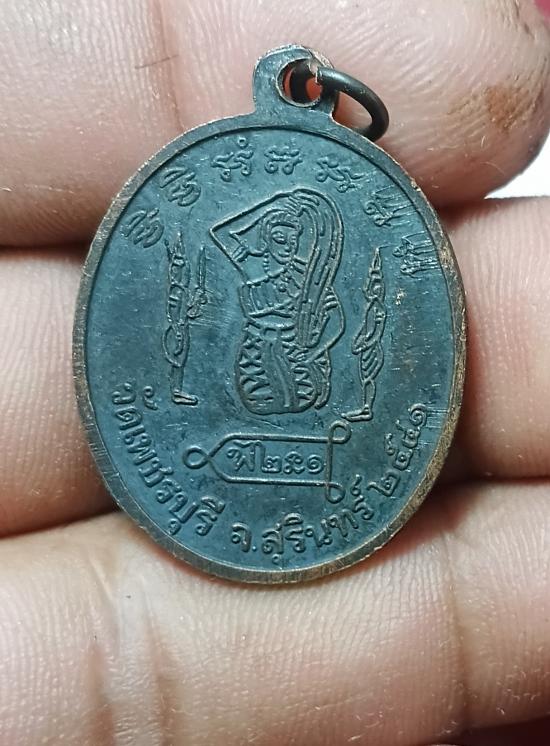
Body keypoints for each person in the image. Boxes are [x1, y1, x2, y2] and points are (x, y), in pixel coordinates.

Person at [0, 1, 549, 744]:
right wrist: (284, 223)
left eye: (282, 241)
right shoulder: (268, 278)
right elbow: (229, 237)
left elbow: (287, 278)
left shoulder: (314, 301)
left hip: (300, 378)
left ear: (308, 253)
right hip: (263, 374)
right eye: (270, 242)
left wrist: (305, 235)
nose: (264, 252)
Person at [211, 189, 345, 414]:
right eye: (280, 239)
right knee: (257, 402)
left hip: (295, 356)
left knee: (300, 400)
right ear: (266, 240)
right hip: (255, 354)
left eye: (293, 240)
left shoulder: (308, 276)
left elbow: (336, 320)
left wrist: (312, 353)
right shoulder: (251, 267)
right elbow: (221, 233)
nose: (288, 246)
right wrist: (274, 203)